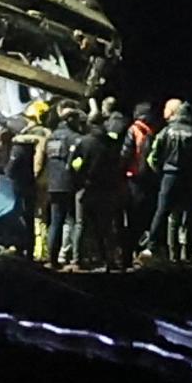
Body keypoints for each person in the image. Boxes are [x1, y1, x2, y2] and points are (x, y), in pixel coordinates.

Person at [142, 102, 192, 262]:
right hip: (191, 179)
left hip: (169, 176)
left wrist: (161, 174)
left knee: (162, 212)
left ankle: (151, 247)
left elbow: (154, 157)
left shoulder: (166, 132)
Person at [73, 111, 127, 270]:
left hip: (86, 188)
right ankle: (108, 259)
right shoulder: (112, 143)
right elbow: (119, 164)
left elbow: (73, 165)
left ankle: (78, 259)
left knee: (81, 225)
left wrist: (79, 181)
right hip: (107, 190)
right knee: (106, 227)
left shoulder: (83, 142)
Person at [42, 108, 83, 268]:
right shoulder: (75, 138)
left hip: (53, 183)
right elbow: (78, 162)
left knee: (56, 222)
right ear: (70, 119)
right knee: (74, 221)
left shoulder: (51, 137)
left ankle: (52, 259)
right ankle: (73, 257)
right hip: (71, 183)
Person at [9, 100, 52, 256]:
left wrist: (35, 174)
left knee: (36, 215)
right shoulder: (47, 132)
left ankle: (39, 250)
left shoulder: (37, 133)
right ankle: (39, 248)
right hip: (48, 179)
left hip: (36, 180)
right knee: (41, 215)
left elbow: (38, 158)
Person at [121, 102, 159, 255]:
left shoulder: (134, 130)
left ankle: (128, 252)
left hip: (133, 177)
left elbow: (125, 153)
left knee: (131, 216)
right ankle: (138, 248)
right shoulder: (151, 132)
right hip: (148, 178)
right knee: (143, 216)